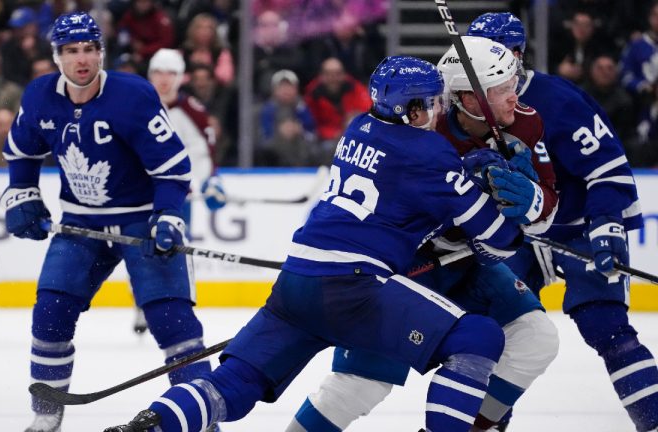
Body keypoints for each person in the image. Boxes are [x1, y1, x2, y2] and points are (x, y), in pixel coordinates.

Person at [105, 56, 526, 432]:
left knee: (231, 387)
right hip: (355, 289)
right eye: (431, 103)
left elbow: (402, 182)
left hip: (296, 283)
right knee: (478, 336)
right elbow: (499, 241)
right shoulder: (430, 151)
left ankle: (151, 423)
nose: (437, 112)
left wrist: (458, 173)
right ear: (412, 108)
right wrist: (492, 183)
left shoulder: (358, 127)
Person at [285, 36, 560, 432]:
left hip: (467, 265)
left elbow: (546, 208)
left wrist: (533, 202)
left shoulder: (526, 121)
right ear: (469, 98)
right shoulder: (416, 131)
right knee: (362, 383)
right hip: (405, 264)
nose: (515, 98)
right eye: (503, 89)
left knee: (535, 338)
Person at [0, 12, 214, 432]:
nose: (82, 59)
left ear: (102, 52)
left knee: (174, 325)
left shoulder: (133, 96)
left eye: (90, 49)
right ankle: (46, 414)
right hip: (81, 222)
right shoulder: (40, 95)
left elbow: (172, 169)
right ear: (56, 56)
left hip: (139, 221)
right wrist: (21, 192)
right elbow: (21, 150)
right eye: (71, 51)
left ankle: (201, 419)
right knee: (50, 313)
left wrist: (168, 216)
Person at [468, 12, 657, 432]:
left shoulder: (558, 100)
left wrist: (606, 226)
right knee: (492, 336)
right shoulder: (463, 103)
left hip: (576, 227)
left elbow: (606, 170)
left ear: (517, 55)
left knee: (606, 328)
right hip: (514, 236)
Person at [129, 48, 227, 335]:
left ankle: (183, 307)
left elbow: (203, 153)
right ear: (150, 74)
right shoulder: (136, 107)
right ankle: (141, 305)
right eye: (158, 72)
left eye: (170, 73)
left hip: (177, 197)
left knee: (179, 252)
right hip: (140, 196)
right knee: (139, 251)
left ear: (180, 76)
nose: (164, 79)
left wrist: (210, 180)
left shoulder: (193, 111)